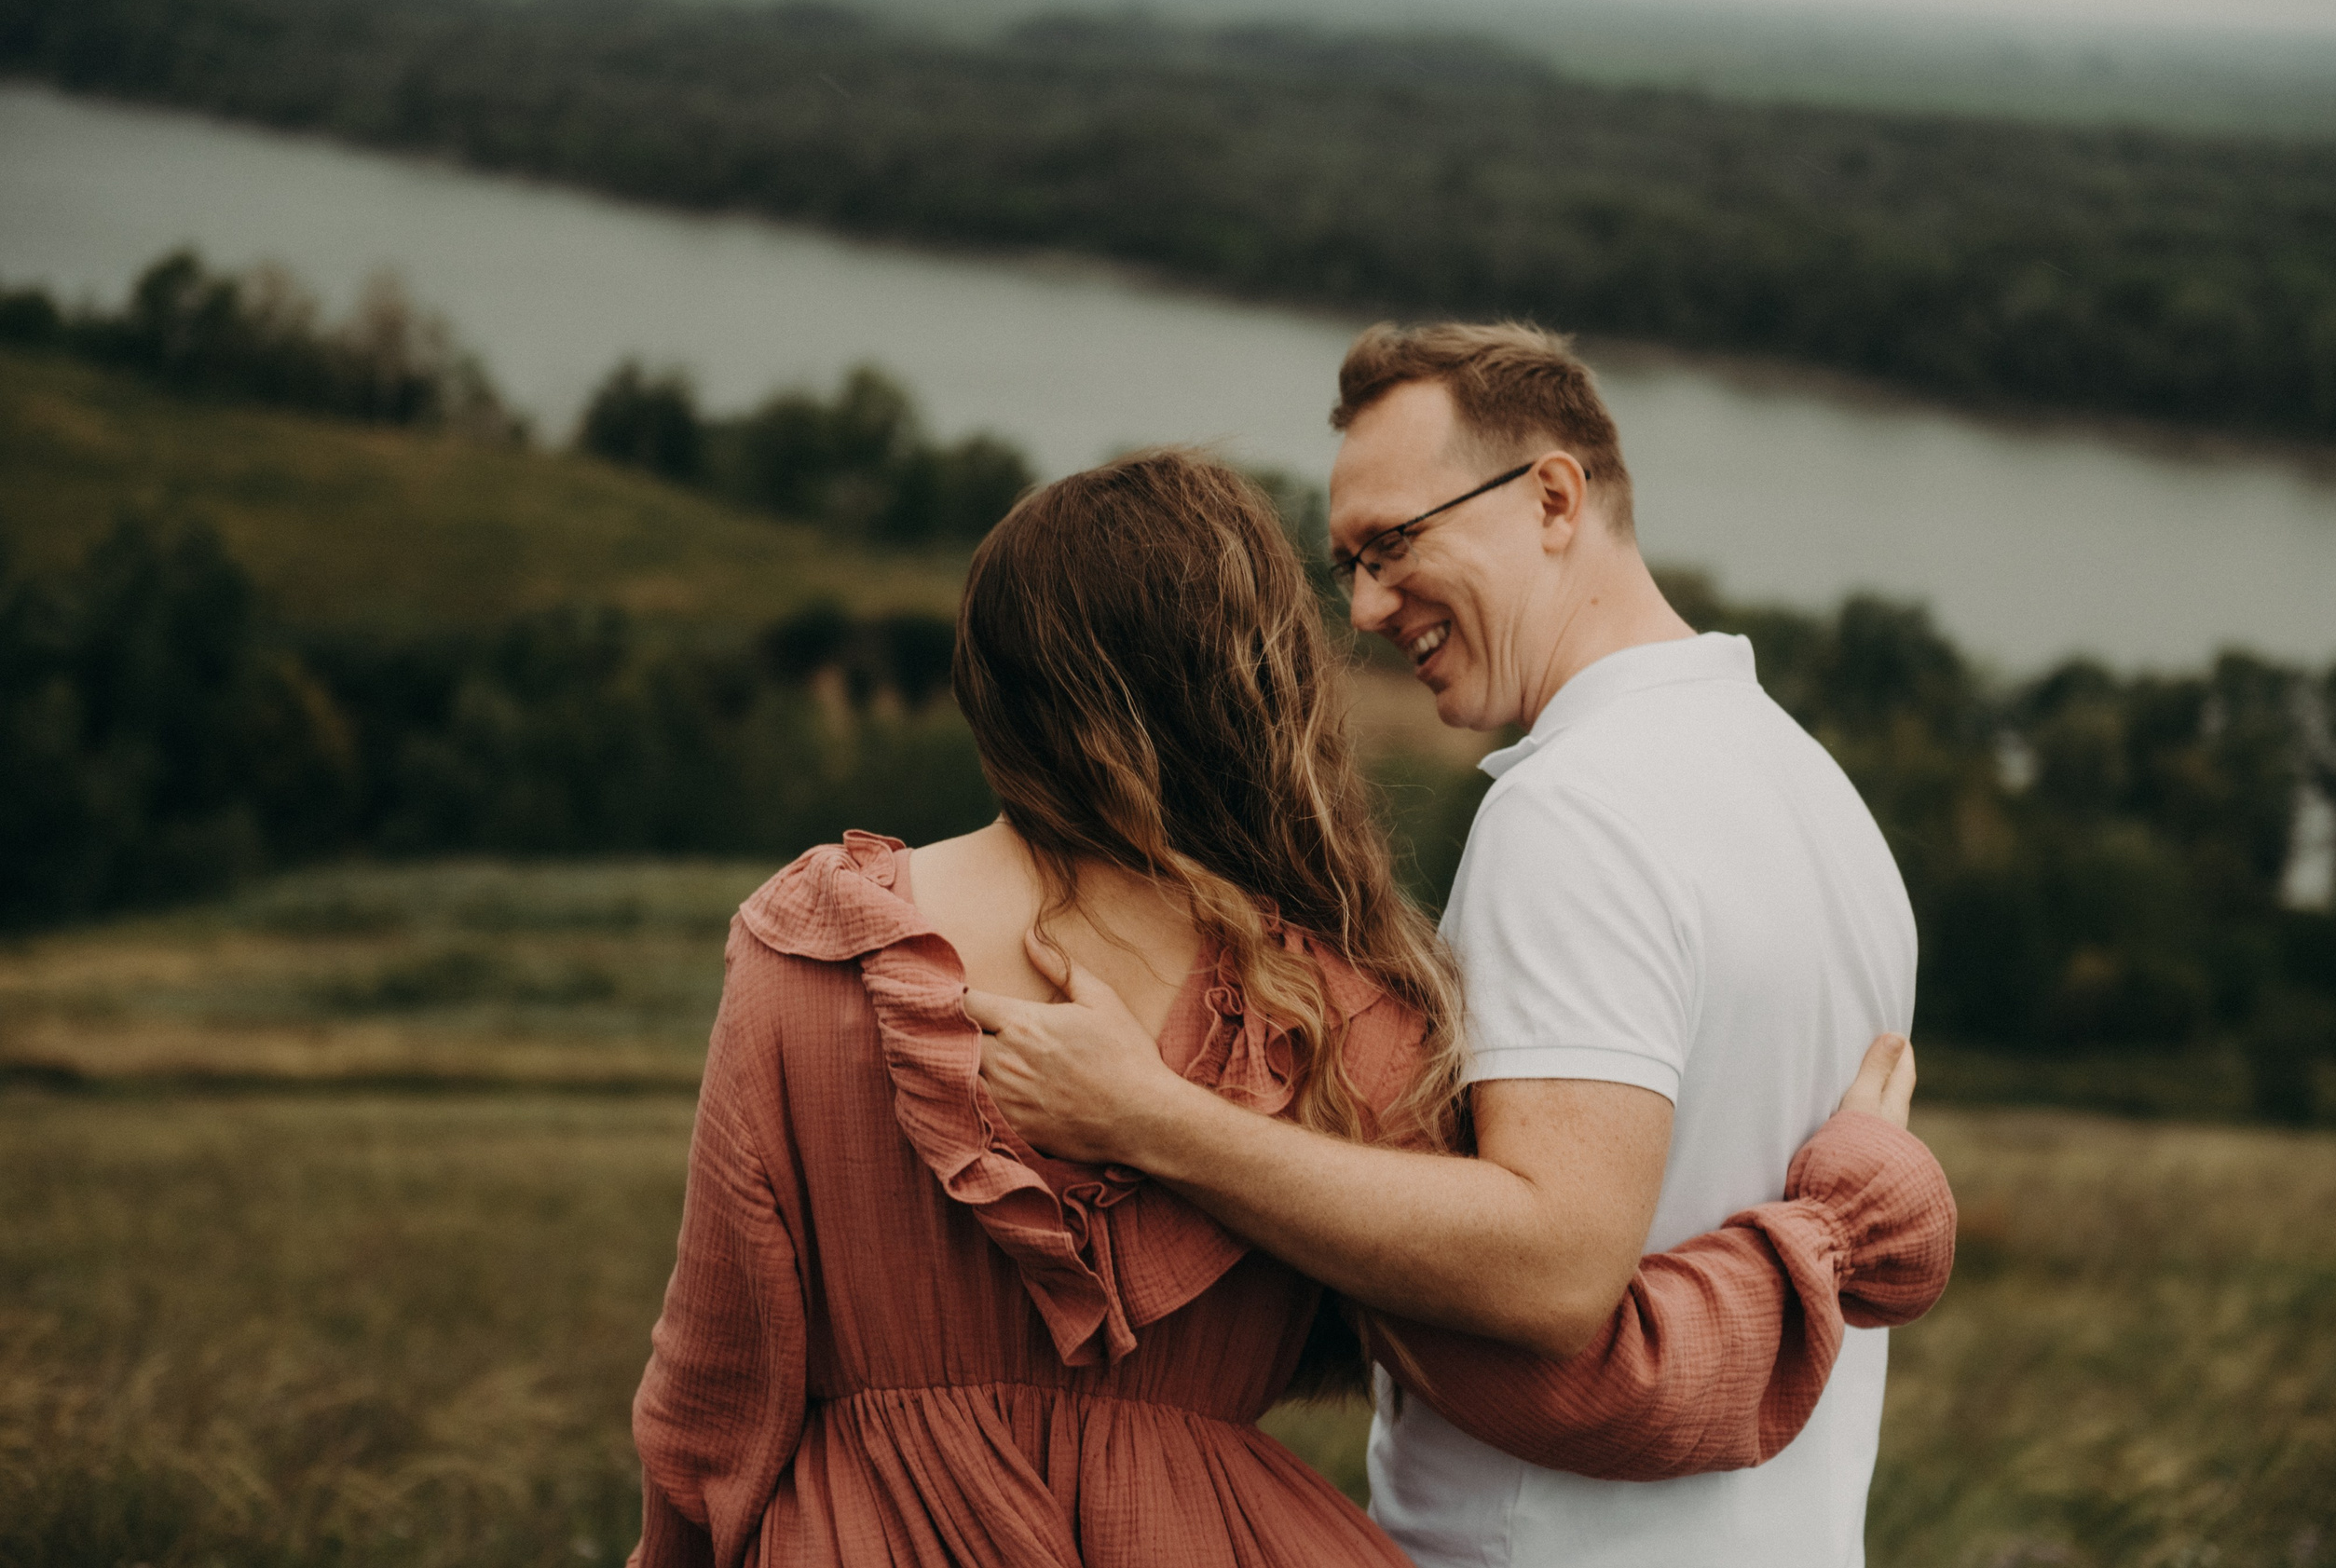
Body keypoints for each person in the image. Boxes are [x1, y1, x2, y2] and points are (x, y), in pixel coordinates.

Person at [632, 450, 1952, 1568]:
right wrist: (1834, 1228)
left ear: (994, 678)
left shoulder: (808, 962)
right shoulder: (1331, 1023)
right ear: (1257, 689)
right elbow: (1583, 1390)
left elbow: (709, 1406)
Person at [970, 327, 1931, 1566]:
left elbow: (1548, 1266)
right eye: (1349, 566)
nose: (1366, 607)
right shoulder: (1817, 794)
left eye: (1394, 543)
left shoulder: (1574, 811)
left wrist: (1151, 1119)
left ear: (1551, 495)